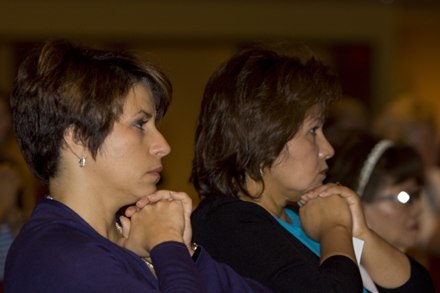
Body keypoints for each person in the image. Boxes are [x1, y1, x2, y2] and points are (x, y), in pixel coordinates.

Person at [4, 40, 271, 292]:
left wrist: (184, 252)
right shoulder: (57, 256)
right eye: (140, 124)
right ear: (77, 139)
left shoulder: (125, 236)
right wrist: (167, 244)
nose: (163, 145)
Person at [190, 46, 434, 292]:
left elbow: (419, 288)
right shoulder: (227, 225)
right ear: (265, 135)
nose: (328, 149)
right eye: (313, 131)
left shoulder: (298, 214)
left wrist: (360, 233)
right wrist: (335, 229)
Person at [325, 130, 425, 252]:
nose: (418, 208)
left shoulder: (415, 265)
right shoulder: (345, 268)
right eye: (404, 197)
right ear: (359, 205)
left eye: (416, 195)